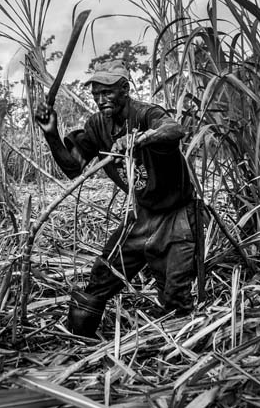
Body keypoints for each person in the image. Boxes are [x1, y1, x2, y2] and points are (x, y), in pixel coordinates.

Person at [34, 60, 201, 338]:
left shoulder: (146, 114)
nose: (101, 100)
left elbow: (174, 130)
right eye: (96, 94)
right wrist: (51, 133)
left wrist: (140, 139)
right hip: (141, 215)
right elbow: (74, 166)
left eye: (107, 92)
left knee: (176, 299)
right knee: (101, 279)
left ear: (125, 89)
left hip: (177, 216)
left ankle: (174, 352)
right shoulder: (97, 125)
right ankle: (77, 343)